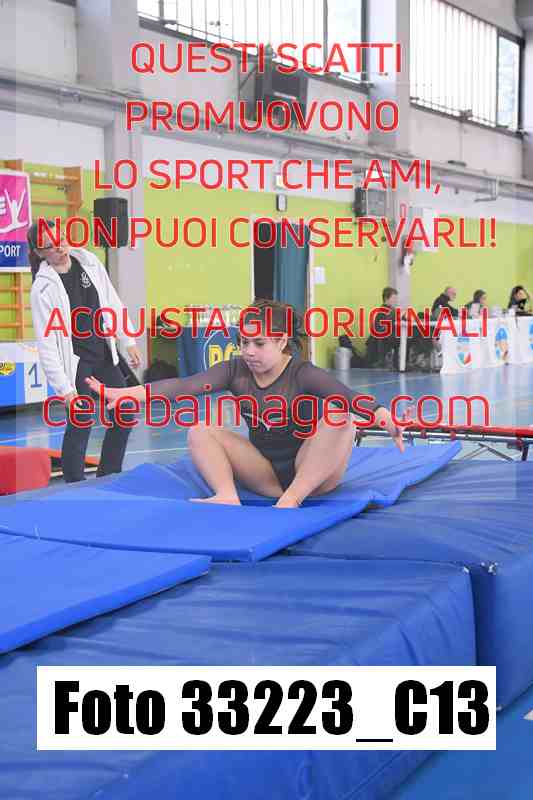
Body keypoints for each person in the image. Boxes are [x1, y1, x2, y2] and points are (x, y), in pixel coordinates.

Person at [87, 300, 405, 508]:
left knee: (341, 418)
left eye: (259, 343)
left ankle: (292, 500)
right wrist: (127, 393)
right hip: (265, 474)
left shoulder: (302, 373)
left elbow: (347, 397)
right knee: (200, 430)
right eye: (243, 342)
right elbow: (184, 387)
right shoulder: (235, 370)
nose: (249, 351)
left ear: (281, 341)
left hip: (312, 475)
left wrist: (381, 413)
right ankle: (226, 494)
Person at [28, 218, 142, 482]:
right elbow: (47, 344)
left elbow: (111, 301)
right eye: (50, 245)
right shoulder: (42, 289)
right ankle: (74, 485)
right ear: (39, 252)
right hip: (77, 363)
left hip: (103, 355)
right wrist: (65, 389)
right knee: (81, 421)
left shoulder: (89, 262)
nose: (59, 247)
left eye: (61, 239)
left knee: (124, 413)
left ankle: (109, 475)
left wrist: (127, 339)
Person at [365, 287, 401, 368]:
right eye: (393, 298)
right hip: (383, 339)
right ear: (386, 298)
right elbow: (381, 329)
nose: (395, 300)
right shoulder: (384, 311)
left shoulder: (391, 310)